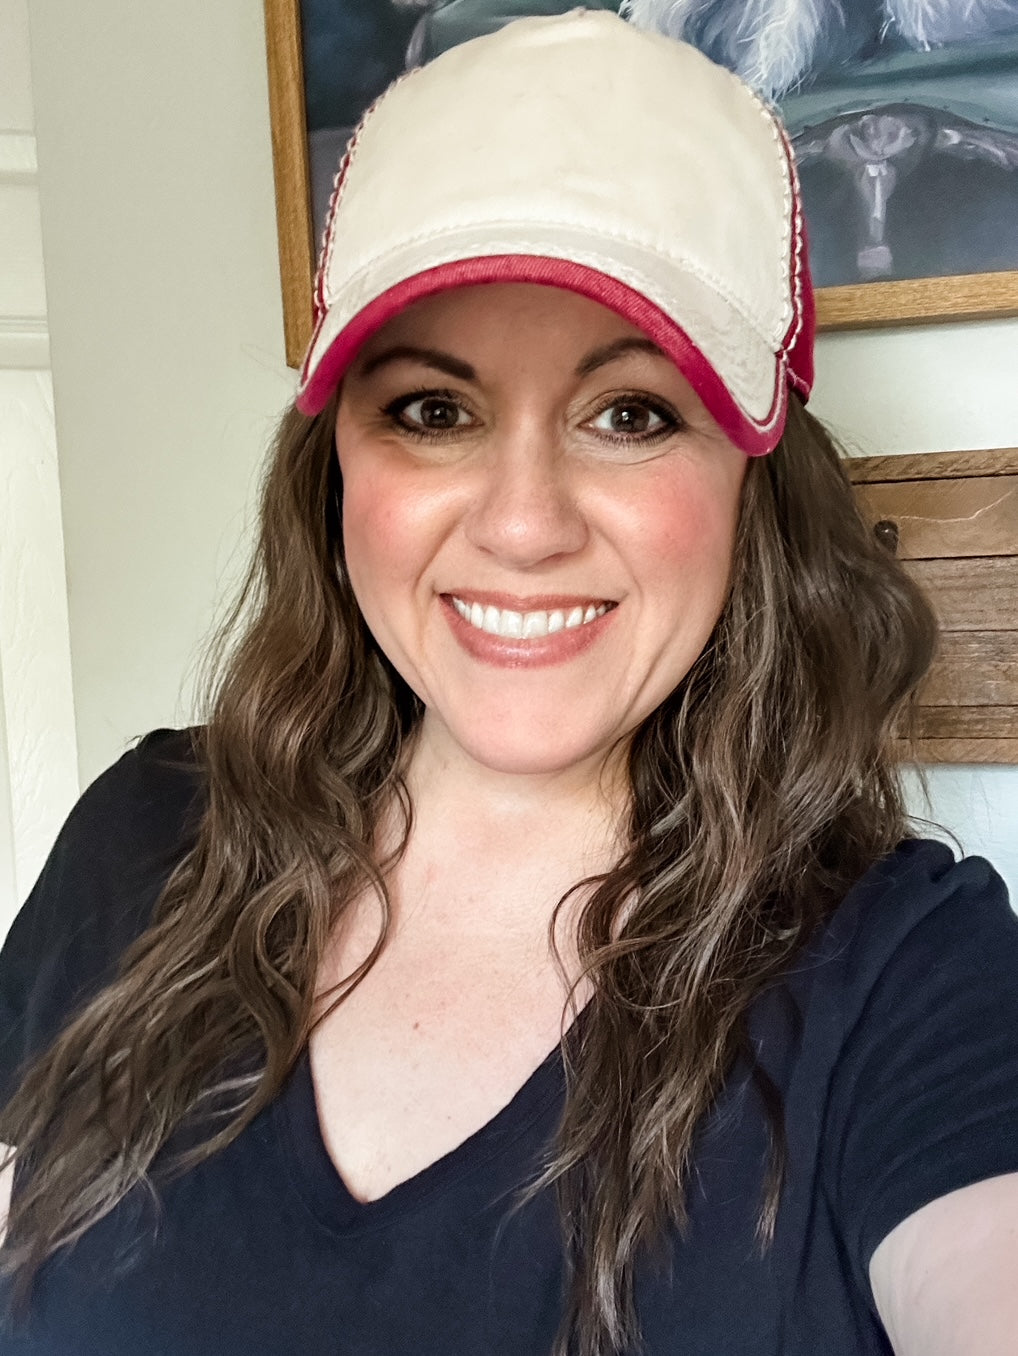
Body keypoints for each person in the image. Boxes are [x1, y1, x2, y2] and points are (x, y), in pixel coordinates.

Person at [2, 11, 1017, 1356]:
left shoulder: (909, 976)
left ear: (750, 481)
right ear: (337, 467)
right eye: (434, 411)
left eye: (630, 414)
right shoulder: (143, 840)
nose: (524, 524)